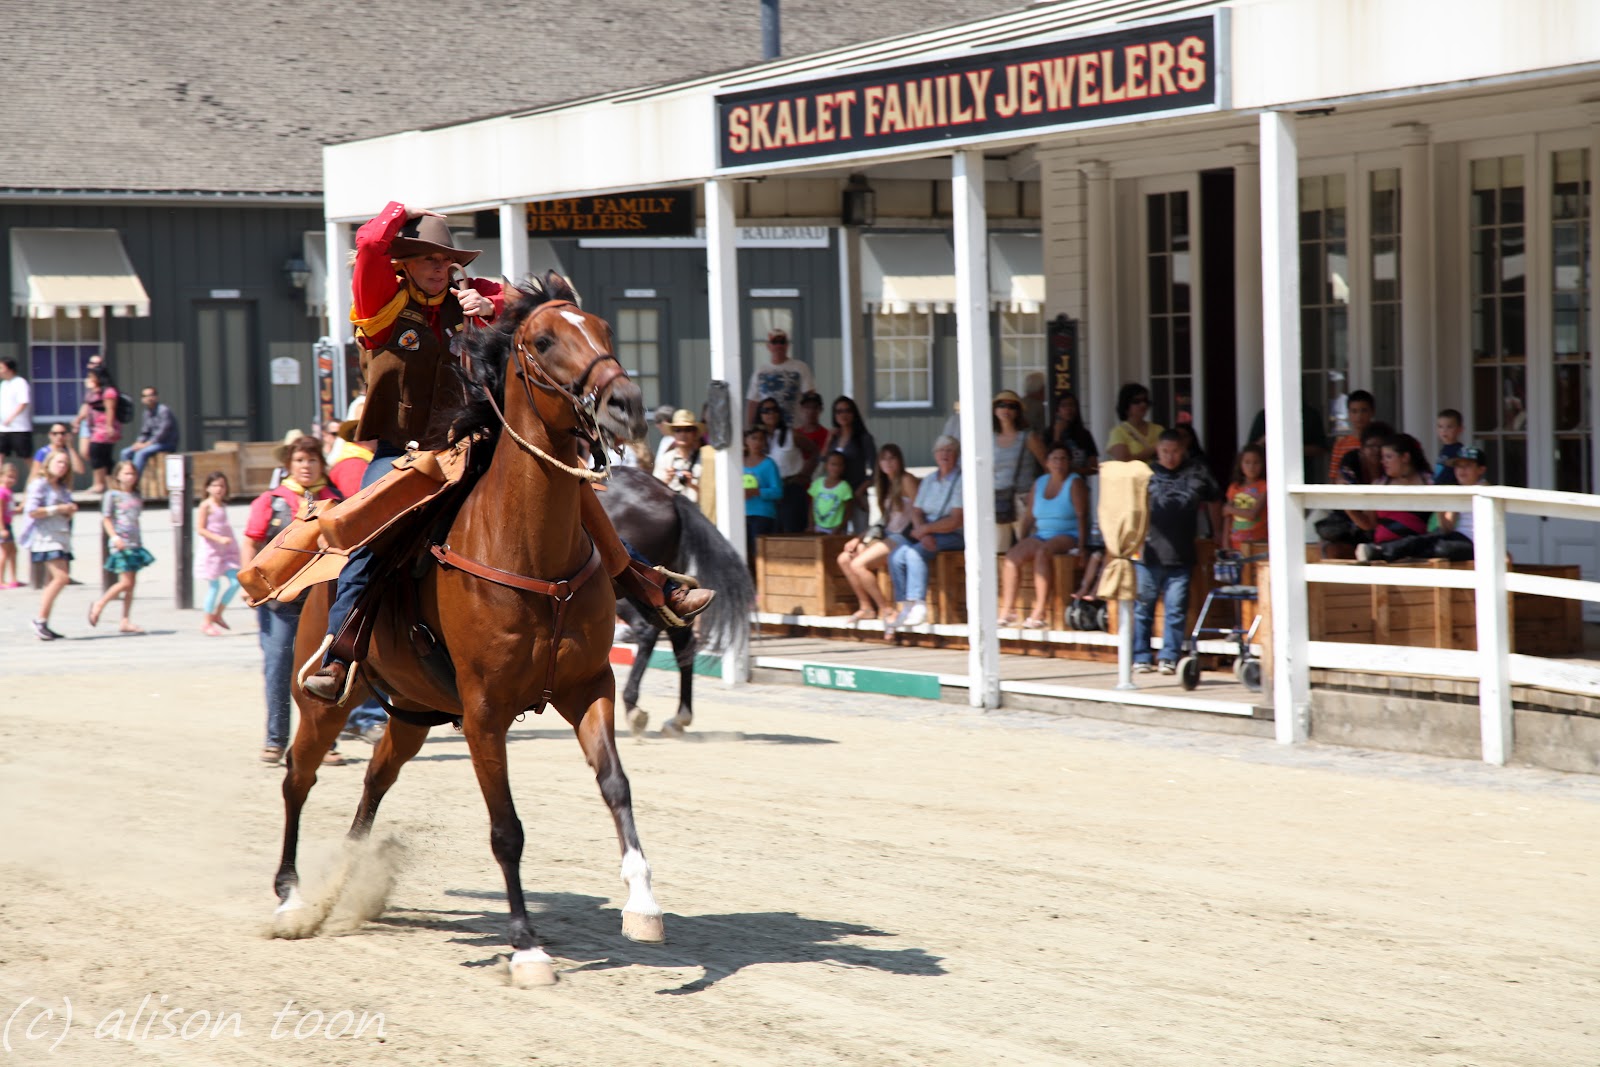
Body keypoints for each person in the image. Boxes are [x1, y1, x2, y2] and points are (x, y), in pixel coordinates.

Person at [300, 202, 713, 703]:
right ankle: (341, 652)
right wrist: (400, 211)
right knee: (369, 531)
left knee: (573, 488)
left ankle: (650, 584)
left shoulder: (468, 295)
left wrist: (490, 307)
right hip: (403, 452)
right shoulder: (379, 296)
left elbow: (548, 310)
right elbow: (368, 244)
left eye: (446, 259)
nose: (440, 267)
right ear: (403, 263)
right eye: (428, 258)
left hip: (471, 440)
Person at [243, 435, 345, 765]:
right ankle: (275, 740)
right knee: (278, 668)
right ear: (289, 464)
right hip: (278, 603)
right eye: (300, 460)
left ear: (321, 464)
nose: (306, 466)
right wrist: (249, 580)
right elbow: (252, 541)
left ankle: (324, 742)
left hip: (324, 603)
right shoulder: (270, 501)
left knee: (322, 672)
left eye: (312, 460)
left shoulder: (337, 499)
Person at [1133, 430, 1222, 674]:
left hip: (1181, 553)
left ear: (1182, 450)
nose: (1170, 457)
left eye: (1175, 451)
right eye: (1165, 452)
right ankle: (1141, 655)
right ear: (1157, 451)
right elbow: (1131, 507)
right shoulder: (1145, 474)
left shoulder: (1197, 471)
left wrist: (1218, 532)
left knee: (1175, 609)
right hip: (1147, 552)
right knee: (1143, 608)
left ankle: (1169, 656)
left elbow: (1216, 499)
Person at [998, 443, 1089, 629]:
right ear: (1047, 462)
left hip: (1067, 533)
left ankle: (1040, 612)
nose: (1059, 462)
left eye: (1063, 458)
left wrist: (1082, 545)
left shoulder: (1074, 482)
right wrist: (1022, 539)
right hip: (1041, 534)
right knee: (1011, 557)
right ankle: (1008, 610)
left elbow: (1082, 516)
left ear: (1069, 462)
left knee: (1043, 552)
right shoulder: (1039, 483)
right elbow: (1030, 516)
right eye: (1055, 458)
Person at [886, 436, 964, 631]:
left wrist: (926, 531)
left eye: (949, 450)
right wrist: (923, 532)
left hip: (953, 533)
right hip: (928, 531)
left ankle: (919, 604)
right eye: (941, 450)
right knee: (896, 556)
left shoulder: (961, 480)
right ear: (935, 455)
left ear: (957, 454)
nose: (945, 454)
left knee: (914, 553)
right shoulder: (929, 479)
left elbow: (955, 520)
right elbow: (916, 510)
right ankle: (905, 605)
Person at [1358, 446, 1487, 563]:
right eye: (1458, 466)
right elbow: (1447, 528)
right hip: (1458, 537)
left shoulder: (1485, 489)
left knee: (1440, 548)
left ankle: (1382, 553)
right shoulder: (1457, 491)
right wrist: (1441, 508)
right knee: (1424, 539)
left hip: (1476, 544)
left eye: (1467, 465)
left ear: (1481, 469)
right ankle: (1379, 550)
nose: (1461, 470)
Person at [837, 444, 920, 625]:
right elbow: (883, 521)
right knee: (845, 558)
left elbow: (918, 509)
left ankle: (886, 609)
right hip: (887, 535)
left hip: (903, 537)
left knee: (859, 564)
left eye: (892, 458)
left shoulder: (906, 479)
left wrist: (923, 533)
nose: (888, 463)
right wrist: (858, 538)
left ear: (899, 460)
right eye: (884, 459)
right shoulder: (886, 485)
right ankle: (866, 606)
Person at [88, 461, 154, 633]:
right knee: (125, 582)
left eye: (132, 474)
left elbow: (135, 519)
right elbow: (107, 518)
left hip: (135, 543)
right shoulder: (112, 495)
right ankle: (99, 604)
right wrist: (114, 537)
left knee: (131, 584)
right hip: (120, 544)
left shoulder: (136, 495)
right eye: (126, 473)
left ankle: (125, 620)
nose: (130, 477)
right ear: (117, 475)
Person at [1346, 433, 1435, 553]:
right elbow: (1370, 524)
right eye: (1382, 457)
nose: (1383, 462)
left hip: (1419, 550)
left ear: (1405, 457)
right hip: (1382, 549)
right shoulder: (1379, 485)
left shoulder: (1429, 482)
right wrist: (1350, 511)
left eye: (1388, 457)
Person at [24, 450, 77, 640]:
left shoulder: (62, 488)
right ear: (49, 463)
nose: (62, 466)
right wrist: (58, 508)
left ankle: (44, 621)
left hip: (60, 535)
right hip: (45, 537)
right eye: (59, 462)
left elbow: (64, 509)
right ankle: (39, 620)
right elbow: (32, 511)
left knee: (51, 582)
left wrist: (69, 510)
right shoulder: (39, 484)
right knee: (62, 577)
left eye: (65, 463)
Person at [992, 389, 1046, 550]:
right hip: (998, 499)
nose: (1006, 410)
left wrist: (1037, 494)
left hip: (1024, 499)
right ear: (995, 410)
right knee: (998, 550)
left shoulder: (1028, 437)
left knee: (1027, 547)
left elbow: (1048, 467)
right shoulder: (989, 438)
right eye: (1001, 405)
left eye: (1012, 406)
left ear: (1018, 412)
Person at [196, 471, 241, 636]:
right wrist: (218, 538)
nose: (219, 489)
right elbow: (200, 529)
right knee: (214, 587)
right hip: (212, 551)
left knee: (235, 582)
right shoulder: (206, 506)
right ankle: (206, 621)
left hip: (226, 552)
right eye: (215, 485)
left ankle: (218, 614)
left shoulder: (222, 505)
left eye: (222, 485)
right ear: (207, 488)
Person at [755, 399, 811, 532]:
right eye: (766, 411)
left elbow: (814, 451)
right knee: (769, 533)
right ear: (760, 415)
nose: (770, 413)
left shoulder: (791, 434)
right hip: (767, 492)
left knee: (792, 531)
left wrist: (805, 473)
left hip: (790, 487)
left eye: (774, 410)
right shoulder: (756, 439)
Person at [824, 396, 876, 531]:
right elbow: (823, 461)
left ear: (854, 413)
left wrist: (860, 491)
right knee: (836, 538)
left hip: (858, 495)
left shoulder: (864, 438)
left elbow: (876, 469)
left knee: (861, 536)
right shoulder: (834, 438)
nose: (843, 415)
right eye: (839, 411)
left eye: (847, 410)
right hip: (837, 496)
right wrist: (828, 440)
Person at [745, 328, 814, 428]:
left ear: (787, 345)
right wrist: (749, 429)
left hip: (795, 428)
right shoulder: (760, 371)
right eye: (774, 342)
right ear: (768, 346)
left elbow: (810, 398)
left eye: (782, 342)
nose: (778, 345)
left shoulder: (801, 367)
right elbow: (753, 402)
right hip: (767, 432)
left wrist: (810, 425)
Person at [1246, 402, 1328, 485]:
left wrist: (1292, 449)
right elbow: (1251, 449)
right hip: (1267, 474)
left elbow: (1321, 448)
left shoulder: (1309, 414)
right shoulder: (1265, 415)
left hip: (1301, 475)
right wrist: (1265, 440)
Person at [74, 368, 121, 494]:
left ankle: (99, 484)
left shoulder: (109, 392)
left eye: (91, 376)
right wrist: (78, 419)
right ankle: (108, 483)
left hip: (104, 428)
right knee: (102, 457)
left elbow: (110, 409)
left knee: (97, 453)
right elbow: (87, 405)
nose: (89, 379)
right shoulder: (95, 391)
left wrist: (110, 426)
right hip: (95, 427)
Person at [742, 427, 782, 562]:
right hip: (741, 514)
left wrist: (756, 491)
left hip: (763, 514)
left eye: (761, 439)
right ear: (745, 440)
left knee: (759, 552)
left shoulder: (769, 464)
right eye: (754, 438)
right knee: (743, 551)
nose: (757, 442)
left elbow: (778, 491)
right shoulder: (738, 463)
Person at [121, 387, 179, 475]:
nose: (148, 398)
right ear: (142, 399)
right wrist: (138, 442)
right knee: (125, 452)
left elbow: (163, 432)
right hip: (151, 444)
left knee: (141, 453)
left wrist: (146, 444)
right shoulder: (146, 413)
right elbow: (144, 432)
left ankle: (134, 479)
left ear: (156, 397)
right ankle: (124, 476)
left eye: (151, 395)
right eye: (145, 396)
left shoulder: (163, 410)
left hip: (165, 443)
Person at [1224, 444, 1268, 551]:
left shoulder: (1264, 486)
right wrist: (1225, 544)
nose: (1251, 467)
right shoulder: (1234, 487)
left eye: (1256, 463)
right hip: (1235, 543)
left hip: (1258, 543)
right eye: (1247, 462)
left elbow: (1252, 514)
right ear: (1240, 464)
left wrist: (1230, 509)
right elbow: (1227, 519)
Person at [654, 409, 704, 502]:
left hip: (696, 512)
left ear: (695, 433)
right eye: (678, 430)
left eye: (688, 430)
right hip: (671, 511)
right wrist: (666, 481)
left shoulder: (704, 459)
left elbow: (711, 496)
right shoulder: (664, 459)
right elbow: (654, 494)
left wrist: (692, 485)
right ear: (673, 434)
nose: (683, 434)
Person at [1045, 391, 1099, 478]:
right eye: (1064, 406)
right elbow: (1048, 463)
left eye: (1072, 405)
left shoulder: (1084, 434)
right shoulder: (1048, 434)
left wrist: (1072, 471)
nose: (1068, 409)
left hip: (1078, 483)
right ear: (1057, 410)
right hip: (1056, 485)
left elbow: (1094, 467)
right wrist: (1057, 434)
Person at [1106, 383, 1163, 463]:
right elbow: (1122, 462)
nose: (1143, 404)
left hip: (1157, 475)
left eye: (1145, 401)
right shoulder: (1118, 432)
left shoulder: (1158, 429)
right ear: (1126, 405)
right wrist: (1151, 451)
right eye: (1136, 401)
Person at [1327, 389, 1376, 482]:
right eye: (1354, 411)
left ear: (1372, 412)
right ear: (1349, 414)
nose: (1359, 416)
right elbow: (1333, 478)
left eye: (1364, 411)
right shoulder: (1341, 445)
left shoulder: (1379, 442)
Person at [808, 451, 853, 534]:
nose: (836, 468)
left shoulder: (845, 487)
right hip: (818, 527)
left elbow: (848, 511)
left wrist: (839, 528)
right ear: (826, 465)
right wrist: (811, 524)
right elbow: (812, 505)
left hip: (836, 529)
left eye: (840, 465)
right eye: (833, 464)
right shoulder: (817, 483)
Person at [0, 358, 32, 461]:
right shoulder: (3, 384)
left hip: (19, 428)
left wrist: (11, 418)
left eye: (1, 368)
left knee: (25, 456)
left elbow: (23, 403)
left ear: (10, 369)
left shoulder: (20, 383)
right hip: (3, 428)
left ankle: (36, 477)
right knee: (1, 454)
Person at [1433, 408, 1465, 486]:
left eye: (1449, 427)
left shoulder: (1460, 450)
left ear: (1460, 429)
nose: (1444, 430)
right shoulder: (1443, 449)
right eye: (1440, 426)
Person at [794, 391, 830, 459]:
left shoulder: (828, 436)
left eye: (815, 407)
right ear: (801, 409)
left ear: (821, 410)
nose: (811, 411)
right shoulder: (795, 435)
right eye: (807, 407)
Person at [0, 462, 18, 589]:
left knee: (13, 551)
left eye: (13, 477)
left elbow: (10, 509)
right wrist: (2, 528)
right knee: (5, 553)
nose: (11, 480)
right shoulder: (2, 492)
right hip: (3, 526)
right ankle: (1, 580)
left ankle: (13, 579)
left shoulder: (8, 491)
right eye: (8, 476)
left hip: (8, 525)